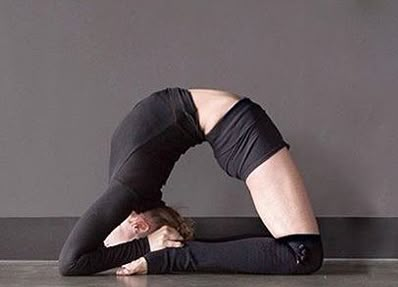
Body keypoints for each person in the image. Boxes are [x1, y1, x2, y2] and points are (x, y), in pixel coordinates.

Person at [58, 87, 322, 276]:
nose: (103, 244)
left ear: (137, 224)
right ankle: (176, 256)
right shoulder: (138, 189)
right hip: (228, 120)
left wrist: (155, 251)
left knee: (302, 255)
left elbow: (70, 263)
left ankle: (177, 258)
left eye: (112, 248)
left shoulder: (128, 188)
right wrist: (151, 246)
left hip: (236, 123)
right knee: (299, 252)